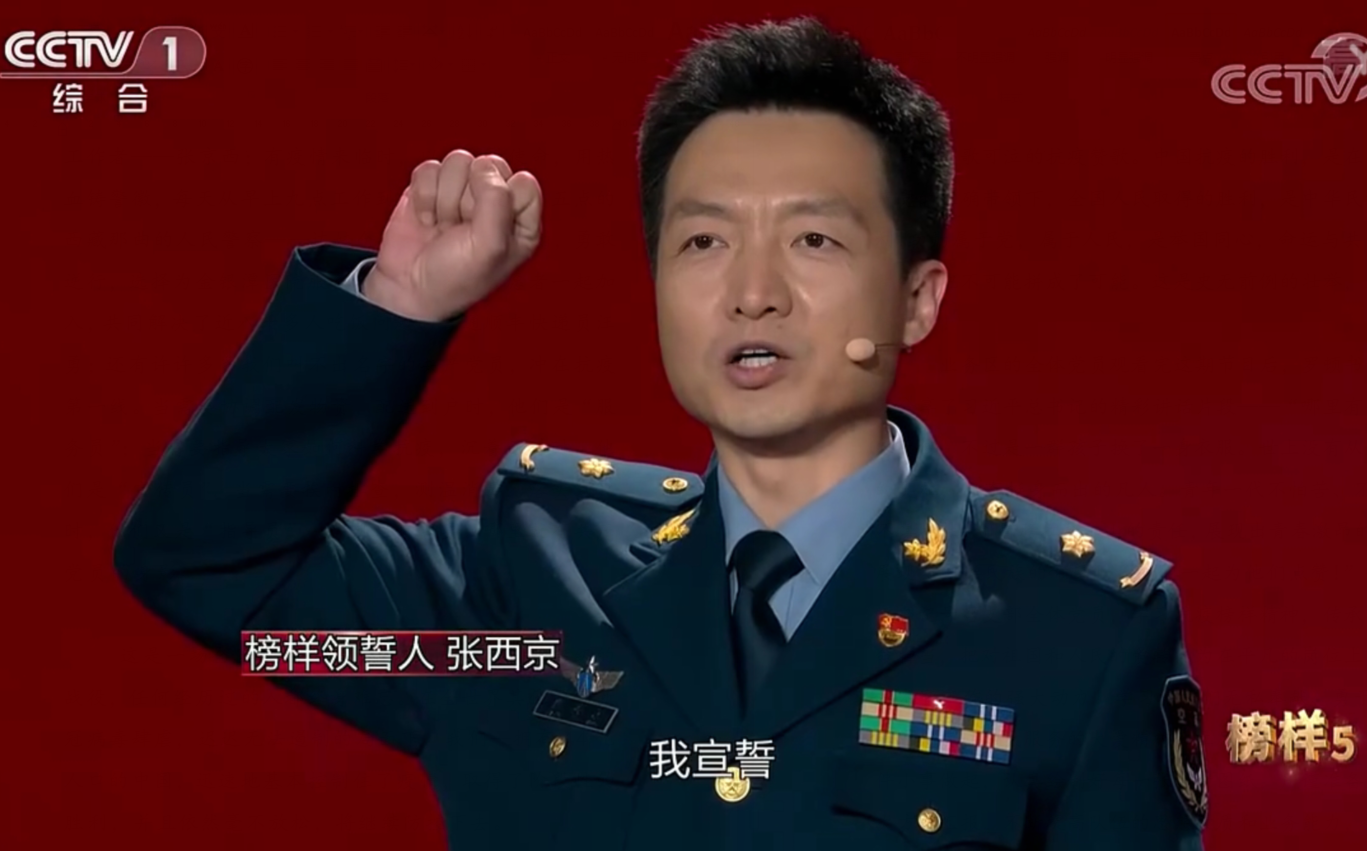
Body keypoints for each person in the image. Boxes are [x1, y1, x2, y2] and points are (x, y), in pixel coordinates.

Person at [114, 17, 1206, 851]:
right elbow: (207, 564)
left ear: (915, 299)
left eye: (814, 240)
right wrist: (397, 306)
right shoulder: (526, 585)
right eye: (701, 243)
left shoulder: (1078, 633)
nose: (751, 292)